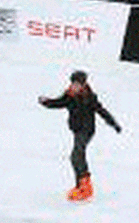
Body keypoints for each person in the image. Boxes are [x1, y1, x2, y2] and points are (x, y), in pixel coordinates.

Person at [38, 70, 122, 202]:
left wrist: (113, 123)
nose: (74, 87)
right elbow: (58, 103)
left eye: (78, 84)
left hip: (87, 130)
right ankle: (81, 186)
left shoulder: (89, 97)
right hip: (77, 130)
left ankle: (86, 188)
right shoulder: (69, 96)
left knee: (76, 155)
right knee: (76, 157)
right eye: (73, 84)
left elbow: (102, 111)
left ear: (84, 85)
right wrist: (46, 102)